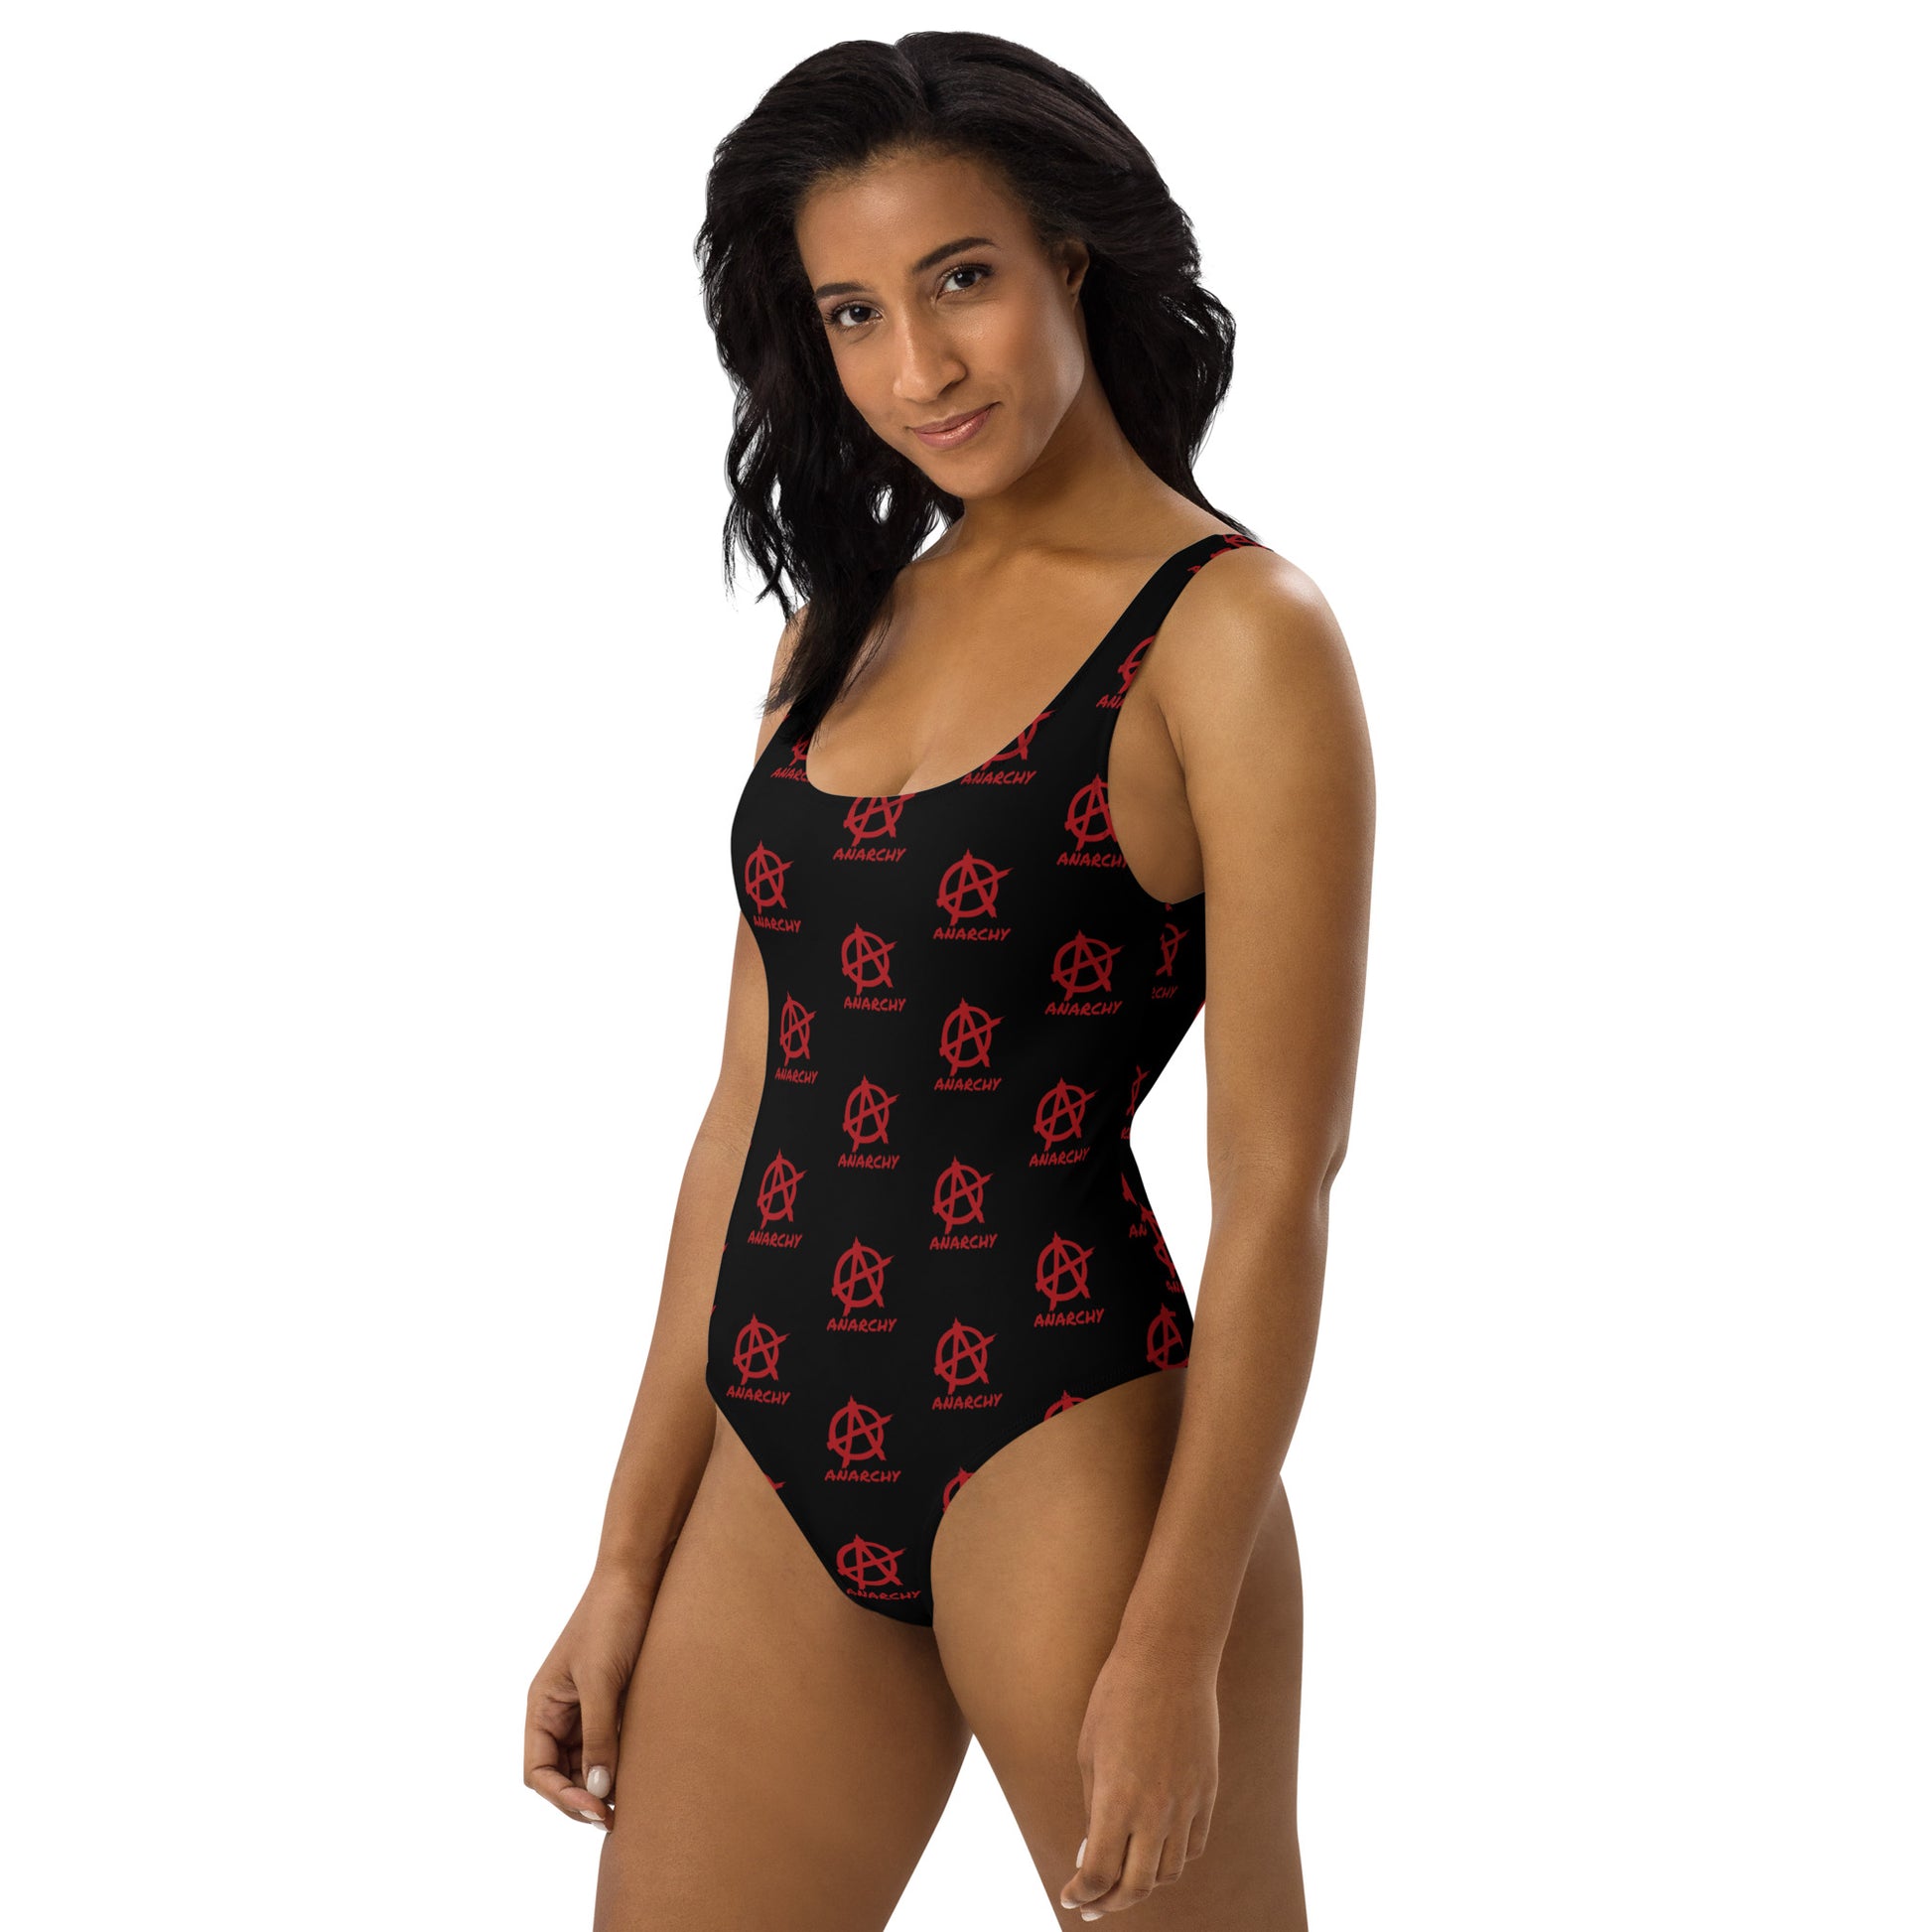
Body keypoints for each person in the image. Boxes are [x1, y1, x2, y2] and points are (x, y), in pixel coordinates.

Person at [524, 31, 1373, 1928]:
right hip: (774, 1433)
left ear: (1069, 254)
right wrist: (624, 1553)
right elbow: (749, 1111)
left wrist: (1174, 1638)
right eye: (854, 312)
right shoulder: (836, 633)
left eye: (960, 278)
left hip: (1064, 1443)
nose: (917, 365)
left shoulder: (1235, 634)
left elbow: (1280, 1186)